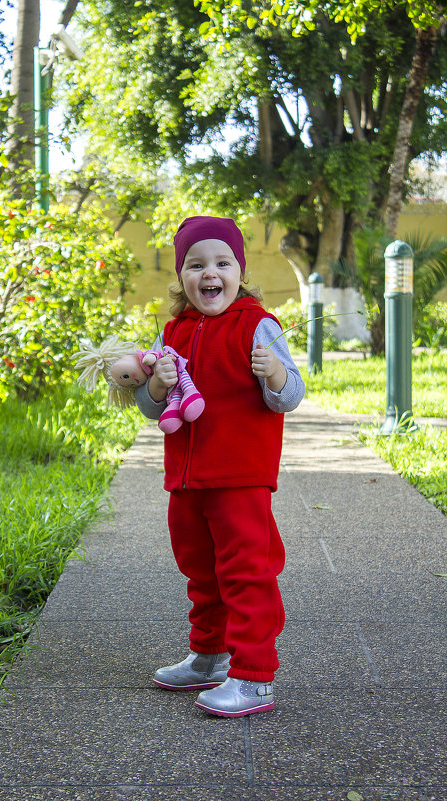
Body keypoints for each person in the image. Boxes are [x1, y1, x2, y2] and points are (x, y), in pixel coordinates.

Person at [135, 215, 305, 717]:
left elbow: (289, 396)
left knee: (246, 572)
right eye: (196, 264)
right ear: (182, 277)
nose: (210, 273)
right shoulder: (173, 330)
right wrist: (158, 385)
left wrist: (274, 371)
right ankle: (209, 655)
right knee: (200, 570)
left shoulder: (259, 325)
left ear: (239, 270)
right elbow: (150, 408)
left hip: (239, 478)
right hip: (187, 480)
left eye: (221, 262)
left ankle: (254, 677)